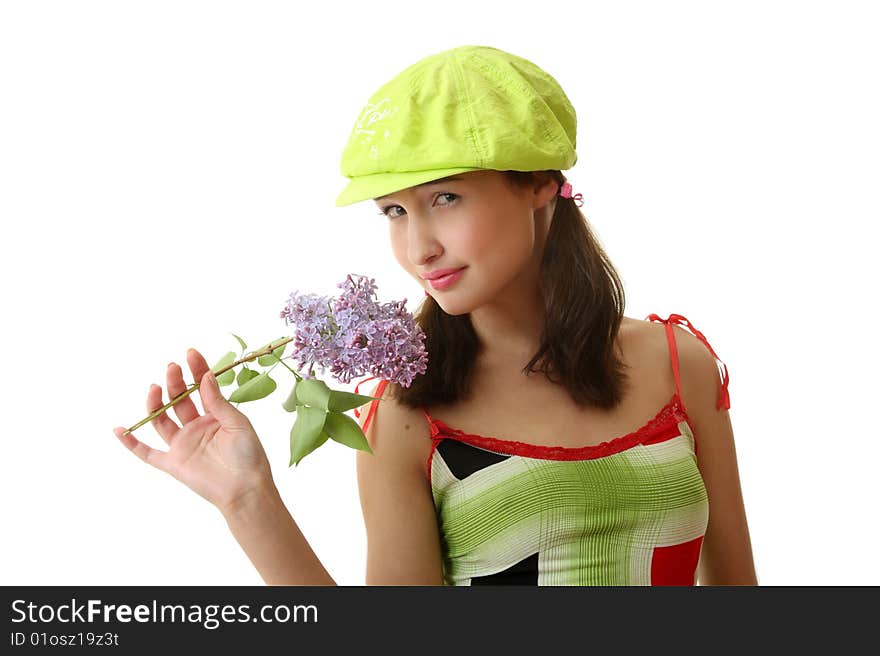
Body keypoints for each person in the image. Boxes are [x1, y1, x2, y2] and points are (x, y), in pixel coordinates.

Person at [113, 44, 757, 586]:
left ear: (537, 181)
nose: (418, 247)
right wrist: (247, 500)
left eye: (445, 198)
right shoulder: (405, 416)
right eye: (394, 211)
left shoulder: (680, 364)